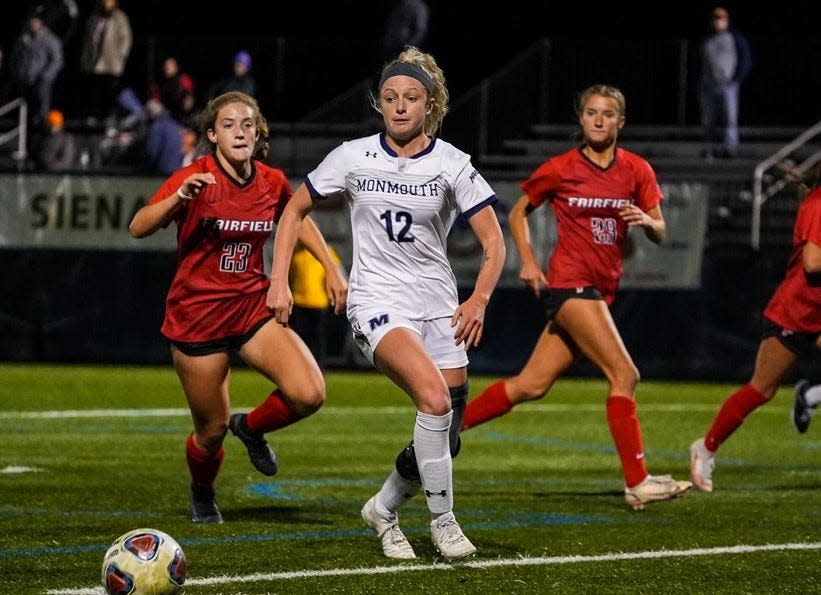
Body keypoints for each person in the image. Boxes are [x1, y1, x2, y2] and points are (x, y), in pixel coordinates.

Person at [267, 47, 505, 560]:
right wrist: (279, 279)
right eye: (391, 97)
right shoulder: (352, 156)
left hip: (439, 305)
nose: (399, 107)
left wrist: (479, 298)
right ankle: (444, 524)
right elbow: (294, 208)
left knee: (447, 438)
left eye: (411, 98)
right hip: (376, 301)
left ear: (430, 103)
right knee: (435, 401)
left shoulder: (451, 162)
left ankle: (382, 508)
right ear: (380, 102)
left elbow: (494, 242)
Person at [460, 84, 692, 511]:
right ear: (581, 119)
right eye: (590, 112)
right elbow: (516, 210)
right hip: (570, 285)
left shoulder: (637, 170)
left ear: (621, 122)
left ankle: (446, 430)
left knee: (530, 386)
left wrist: (647, 221)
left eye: (607, 114)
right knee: (626, 375)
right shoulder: (562, 168)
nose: (598, 120)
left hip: (598, 289)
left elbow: (660, 231)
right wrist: (527, 260)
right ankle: (637, 481)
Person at [128, 91, 348, 524]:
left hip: (250, 309)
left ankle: (251, 428)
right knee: (210, 432)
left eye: (247, 124)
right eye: (228, 125)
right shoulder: (196, 175)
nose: (240, 131)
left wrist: (331, 267)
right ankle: (202, 491)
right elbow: (138, 226)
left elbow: (296, 219)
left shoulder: (271, 180)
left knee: (309, 393)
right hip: (198, 319)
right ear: (212, 135)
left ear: (258, 132)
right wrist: (178, 198)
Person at [690, 184, 821, 491]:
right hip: (797, 312)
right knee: (762, 389)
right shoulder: (818, 204)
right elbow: (812, 262)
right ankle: (705, 448)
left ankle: (811, 396)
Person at [698, 6, 752, 160]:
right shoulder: (707, 40)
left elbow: (746, 60)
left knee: (730, 120)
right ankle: (708, 151)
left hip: (728, 86)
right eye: (716, 19)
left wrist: (736, 78)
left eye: (721, 19)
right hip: (708, 86)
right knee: (708, 122)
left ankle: (730, 150)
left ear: (727, 21)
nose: (718, 22)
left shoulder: (735, 38)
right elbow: (701, 63)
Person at [288, 240, 344, 368]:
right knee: (300, 339)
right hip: (299, 302)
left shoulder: (326, 250)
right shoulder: (294, 252)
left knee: (318, 339)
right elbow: (289, 277)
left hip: (319, 302)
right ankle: (300, 367)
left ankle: (319, 366)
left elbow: (336, 271)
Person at [79, 0, 133, 125]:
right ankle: (93, 115)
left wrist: (121, 55)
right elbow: (88, 39)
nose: (106, 4)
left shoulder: (120, 17)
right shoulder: (94, 17)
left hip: (112, 62)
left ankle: (110, 115)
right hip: (95, 62)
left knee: (110, 91)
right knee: (95, 91)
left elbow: (126, 38)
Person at [9, 6, 64, 128]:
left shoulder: (50, 39)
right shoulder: (24, 39)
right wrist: (16, 73)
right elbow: (15, 57)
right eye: (31, 21)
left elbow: (57, 60)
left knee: (41, 107)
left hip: (41, 81)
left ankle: (41, 126)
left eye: (36, 21)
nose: (33, 24)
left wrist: (45, 76)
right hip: (25, 79)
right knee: (23, 107)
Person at [143, 98, 185, 176]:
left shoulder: (157, 126)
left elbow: (152, 151)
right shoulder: (174, 124)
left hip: (163, 170)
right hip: (177, 168)